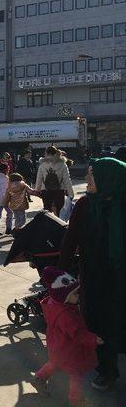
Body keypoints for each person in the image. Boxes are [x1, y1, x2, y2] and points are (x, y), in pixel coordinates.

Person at [59, 158, 126, 392]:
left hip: (121, 278)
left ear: (109, 179)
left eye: (91, 175)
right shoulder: (85, 205)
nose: (87, 179)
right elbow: (70, 240)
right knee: (99, 324)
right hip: (96, 278)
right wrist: (60, 273)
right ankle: (107, 370)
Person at [31, 267, 102, 407]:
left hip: (57, 345)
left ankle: (39, 379)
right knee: (76, 374)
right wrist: (93, 339)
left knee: (55, 364)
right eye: (75, 294)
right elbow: (76, 333)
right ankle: (76, 400)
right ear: (63, 296)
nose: (78, 296)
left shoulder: (54, 304)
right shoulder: (65, 314)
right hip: (68, 348)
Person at [35, 146, 74, 216]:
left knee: (47, 211)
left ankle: (48, 225)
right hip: (59, 191)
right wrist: (71, 193)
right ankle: (59, 225)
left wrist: (37, 190)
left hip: (46, 191)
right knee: (60, 211)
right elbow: (67, 179)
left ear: (47, 153)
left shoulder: (43, 164)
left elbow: (39, 178)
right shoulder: (62, 164)